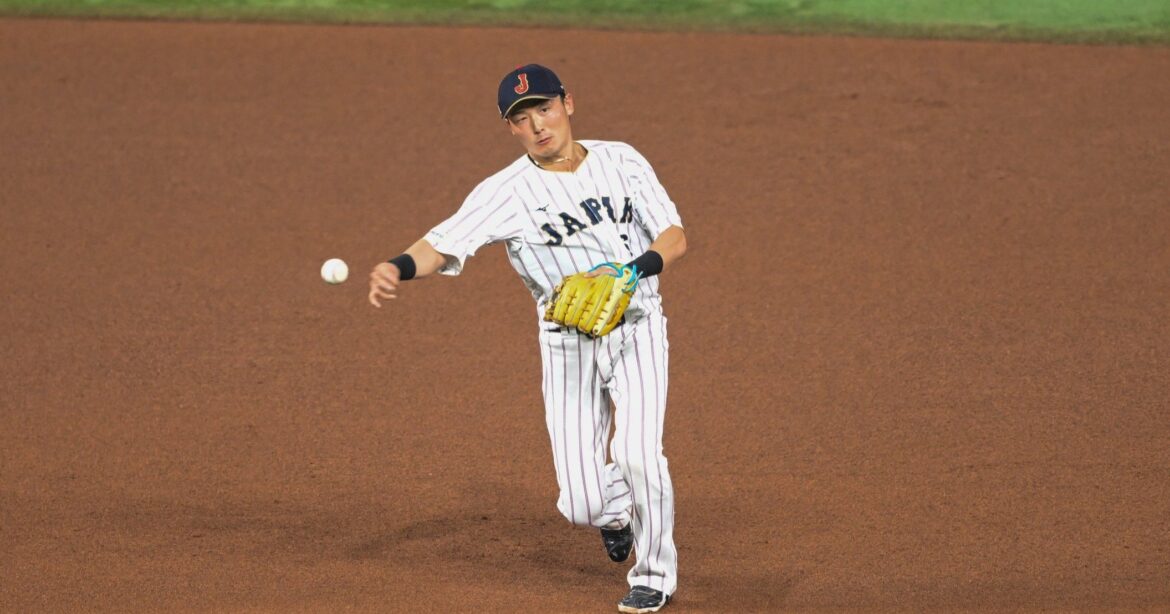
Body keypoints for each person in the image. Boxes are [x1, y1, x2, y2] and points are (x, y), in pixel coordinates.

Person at [368, 64, 686, 614]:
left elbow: (675, 236)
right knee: (581, 503)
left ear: (568, 104)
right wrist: (397, 266)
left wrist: (634, 269)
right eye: (521, 118)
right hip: (567, 344)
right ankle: (615, 515)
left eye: (544, 108)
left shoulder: (623, 160)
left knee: (638, 454)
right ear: (510, 129)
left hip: (636, 326)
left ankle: (654, 575)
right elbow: (444, 241)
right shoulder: (507, 192)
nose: (537, 124)